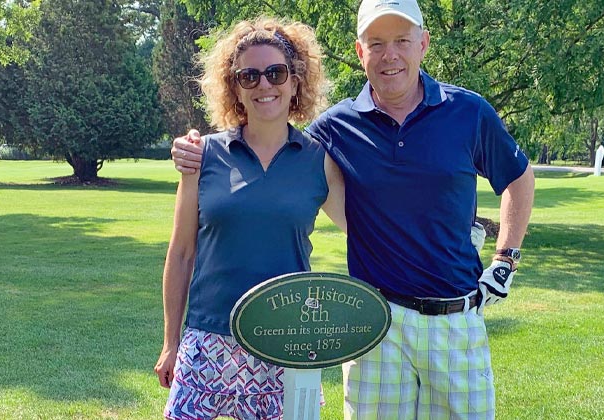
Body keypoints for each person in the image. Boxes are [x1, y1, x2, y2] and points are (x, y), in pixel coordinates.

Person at [171, 0, 535, 418]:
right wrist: (195, 149)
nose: (390, 55)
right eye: (376, 43)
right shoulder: (335, 127)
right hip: (372, 322)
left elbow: (518, 178)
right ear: (361, 53)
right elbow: (268, 134)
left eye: (402, 40)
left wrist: (505, 259)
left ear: (424, 44)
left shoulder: (469, 112)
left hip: (454, 318)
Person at [153, 16, 346, 420]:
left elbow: (363, 232)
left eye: (275, 73)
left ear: (295, 82)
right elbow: (182, 252)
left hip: (283, 341)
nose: (264, 85)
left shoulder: (318, 160)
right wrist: (171, 343)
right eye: (249, 76)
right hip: (208, 338)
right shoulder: (201, 155)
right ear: (234, 88)